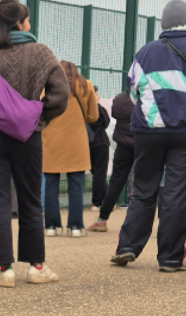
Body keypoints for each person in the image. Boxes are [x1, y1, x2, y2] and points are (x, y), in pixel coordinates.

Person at [0, 0, 70, 288]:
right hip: (27, 136)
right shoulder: (41, 53)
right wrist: (38, 117)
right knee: (30, 199)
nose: (30, 24)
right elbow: (61, 95)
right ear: (19, 23)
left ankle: (5, 269)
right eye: (28, 19)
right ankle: (36, 267)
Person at [114, 0, 186, 274]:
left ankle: (127, 246)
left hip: (149, 129)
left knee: (143, 189)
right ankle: (171, 258)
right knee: (178, 192)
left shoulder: (145, 51)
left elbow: (133, 91)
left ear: (163, 23)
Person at [41, 61, 98, 237]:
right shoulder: (86, 85)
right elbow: (93, 116)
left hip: (51, 140)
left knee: (51, 185)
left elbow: (39, 111)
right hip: (77, 142)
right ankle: (75, 227)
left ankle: (51, 226)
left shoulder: (47, 87)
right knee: (76, 186)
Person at [88, 86, 135, 232]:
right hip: (144, 144)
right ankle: (137, 222)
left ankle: (102, 218)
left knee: (115, 181)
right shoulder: (148, 99)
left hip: (123, 145)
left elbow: (113, 116)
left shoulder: (120, 99)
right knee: (145, 182)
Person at [89, 91, 112, 211]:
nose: (98, 96)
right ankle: (97, 202)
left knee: (96, 172)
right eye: (97, 94)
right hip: (101, 142)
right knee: (100, 173)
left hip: (87, 144)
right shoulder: (99, 108)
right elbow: (107, 122)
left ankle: (108, 200)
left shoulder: (83, 108)